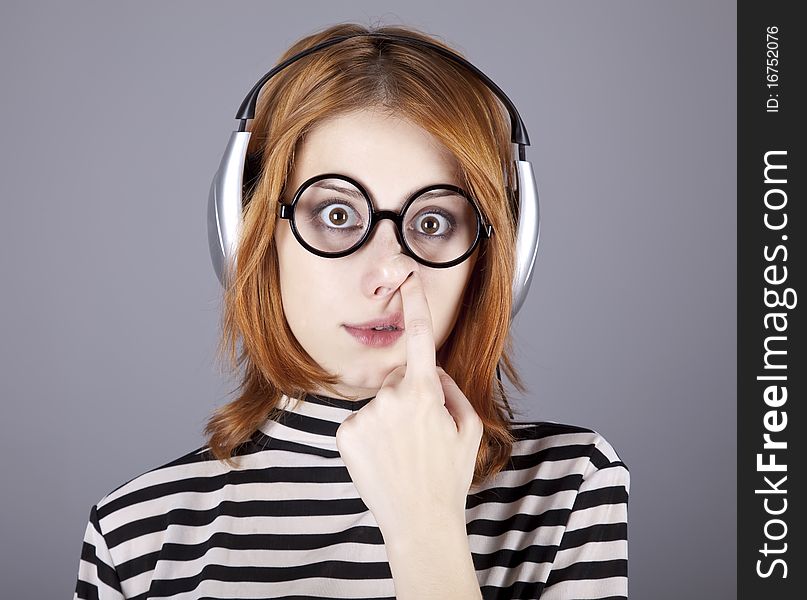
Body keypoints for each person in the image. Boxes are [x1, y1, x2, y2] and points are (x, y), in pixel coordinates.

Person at [73, 22, 629, 600]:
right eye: (337, 215)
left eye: (433, 223)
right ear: (251, 236)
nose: (389, 271)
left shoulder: (568, 490)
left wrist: (425, 528)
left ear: (493, 260)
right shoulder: (136, 534)